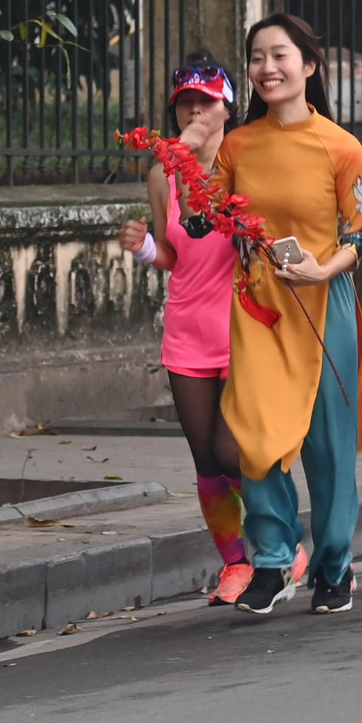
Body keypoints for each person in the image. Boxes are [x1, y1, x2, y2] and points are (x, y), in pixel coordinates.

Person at [200, 14, 362, 617]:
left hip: (321, 302)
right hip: (258, 306)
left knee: (328, 447)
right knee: (256, 437)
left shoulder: (341, 146)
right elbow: (208, 218)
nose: (267, 68)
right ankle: (276, 560)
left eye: (279, 55)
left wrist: (323, 270)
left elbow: (361, 236)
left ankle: (335, 566)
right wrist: (191, 166)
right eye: (257, 58)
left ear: (309, 65)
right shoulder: (237, 145)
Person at [117, 53, 251, 604]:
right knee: (206, 461)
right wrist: (145, 247)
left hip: (244, 327)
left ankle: (280, 543)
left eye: (207, 101)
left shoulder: (248, 163)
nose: (196, 110)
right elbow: (175, 254)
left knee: (237, 452)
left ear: (228, 108)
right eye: (186, 103)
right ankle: (236, 564)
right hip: (187, 329)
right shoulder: (160, 175)